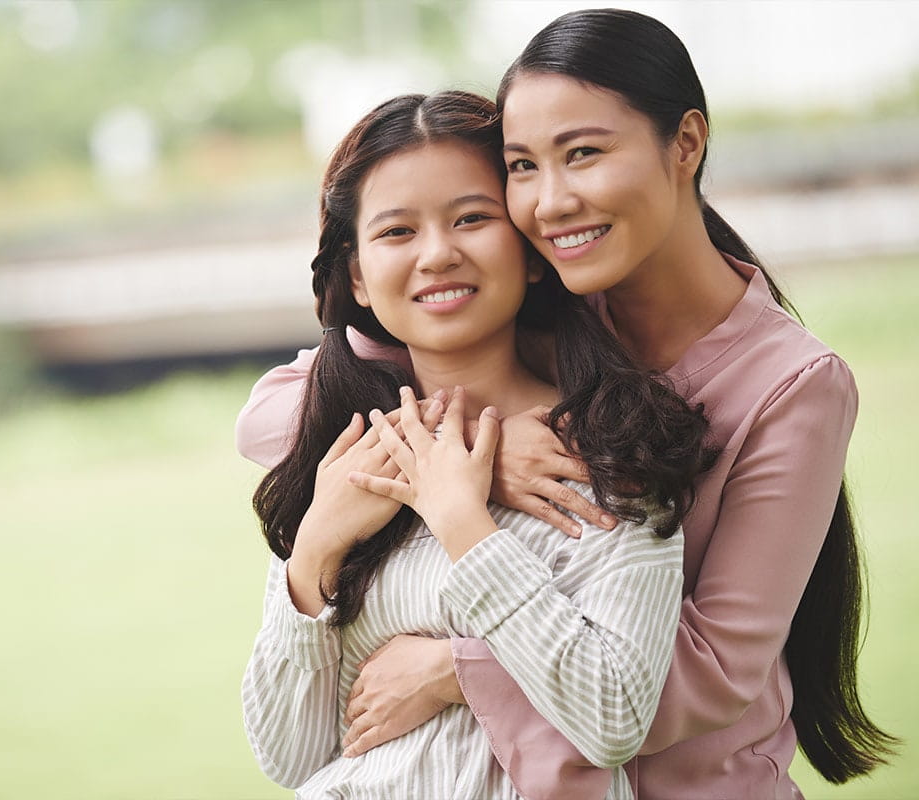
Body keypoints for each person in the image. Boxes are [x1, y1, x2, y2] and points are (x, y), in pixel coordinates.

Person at [235, 9, 897, 799]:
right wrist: (490, 446)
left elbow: (715, 671)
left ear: (685, 143)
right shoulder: (551, 304)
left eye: (582, 154)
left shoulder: (791, 383)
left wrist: (458, 667)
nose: (550, 202)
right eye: (521, 166)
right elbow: (279, 412)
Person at [240, 89, 713, 798]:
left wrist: (464, 521)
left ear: (528, 252)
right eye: (398, 232)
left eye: (471, 219)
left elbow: (613, 715)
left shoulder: (607, 453)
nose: (438, 254)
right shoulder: (356, 466)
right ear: (360, 276)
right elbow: (291, 757)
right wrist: (310, 554)